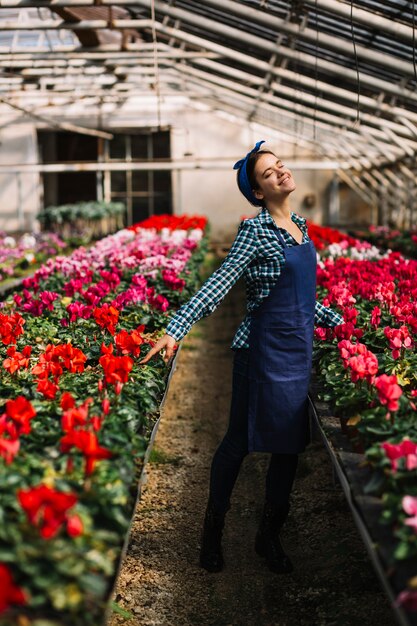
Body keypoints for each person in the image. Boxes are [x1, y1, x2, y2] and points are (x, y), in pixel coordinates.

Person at [139, 140, 344, 574]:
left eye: (281, 166)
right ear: (258, 192)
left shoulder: (303, 228)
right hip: (261, 351)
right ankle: (211, 532)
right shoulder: (255, 231)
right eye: (270, 174)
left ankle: (268, 538)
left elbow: (305, 298)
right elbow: (219, 283)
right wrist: (175, 329)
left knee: (288, 447)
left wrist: (344, 322)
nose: (282, 173)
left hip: (296, 351)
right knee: (240, 441)